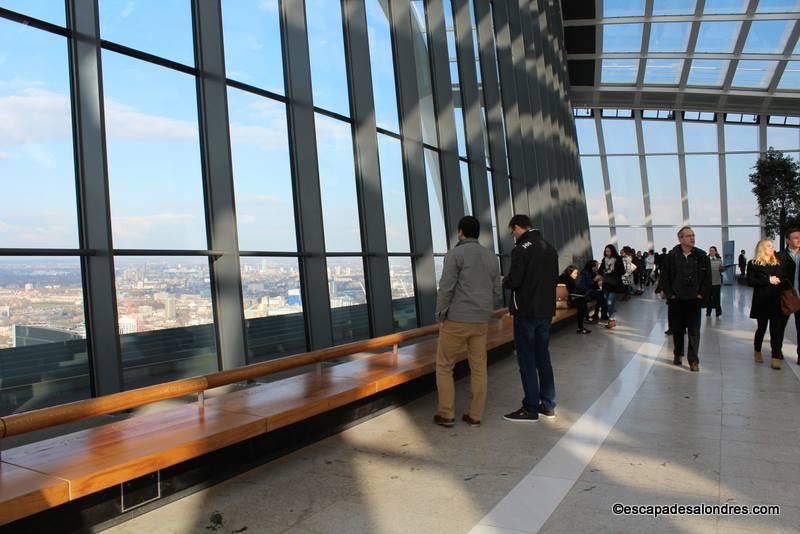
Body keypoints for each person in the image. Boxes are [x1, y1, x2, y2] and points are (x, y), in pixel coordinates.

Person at [434, 216, 502, 427]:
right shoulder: (492, 257)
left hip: (456, 319)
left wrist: (441, 314)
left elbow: (446, 288)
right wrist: (486, 310)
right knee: (479, 367)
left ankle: (446, 413)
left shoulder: (455, 254)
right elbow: (497, 292)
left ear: (460, 232)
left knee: (445, 366)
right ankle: (475, 415)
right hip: (481, 320)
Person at [502, 214, 559, 423]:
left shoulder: (520, 249)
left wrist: (504, 281)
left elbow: (515, 280)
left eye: (513, 231)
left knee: (526, 359)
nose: (513, 236)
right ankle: (549, 404)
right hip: (546, 311)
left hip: (526, 312)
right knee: (543, 357)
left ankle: (530, 407)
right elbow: (554, 278)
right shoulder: (550, 248)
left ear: (517, 227)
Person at [661, 226, 711, 372]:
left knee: (694, 331)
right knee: (677, 330)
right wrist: (671, 294)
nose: (692, 238)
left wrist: (701, 294)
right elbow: (665, 278)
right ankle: (678, 353)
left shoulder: (701, 256)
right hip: (677, 300)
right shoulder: (671, 256)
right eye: (689, 236)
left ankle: (693, 360)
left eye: (693, 235)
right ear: (680, 238)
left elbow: (708, 278)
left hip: (694, 300)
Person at [747, 239, 791, 370]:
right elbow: (750, 281)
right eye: (768, 246)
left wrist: (780, 281)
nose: (772, 248)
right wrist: (768, 280)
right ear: (761, 248)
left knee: (776, 330)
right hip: (761, 301)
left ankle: (775, 356)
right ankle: (757, 350)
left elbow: (785, 278)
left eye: (772, 246)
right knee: (761, 328)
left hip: (777, 301)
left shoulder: (779, 263)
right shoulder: (753, 263)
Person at [777, 227, 800, 366]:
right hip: (786, 296)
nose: (798, 240)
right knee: (780, 325)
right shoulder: (779, 257)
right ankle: (777, 351)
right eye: (795, 238)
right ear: (787, 240)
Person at [598, 244, 625, 329]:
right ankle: (612, 315)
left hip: (614, 285)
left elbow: (622, 271)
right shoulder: (604, 260)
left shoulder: (618, 259)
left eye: (608, 251)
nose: (607, 253)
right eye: (606, 251)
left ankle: (611, 320)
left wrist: (611, 272)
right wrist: (602, 274)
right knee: (608, 302)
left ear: (612, 251)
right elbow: (600, 271)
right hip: (606, 285)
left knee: (610, 302)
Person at [558, 265, 591, 334]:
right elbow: (571, 291)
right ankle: (582, 326)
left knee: (582, 302)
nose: (576, 275)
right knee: (582, 304)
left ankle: (582, 325)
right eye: (575, 273)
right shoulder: (567, 279)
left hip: (566, 299)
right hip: (564, 301)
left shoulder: (564, 277)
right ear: (570, 273)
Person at [706, 246, 724, 318]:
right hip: (709, 283)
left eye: (713, 251)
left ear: (715, 252)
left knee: (717, 298)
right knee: (708, 298)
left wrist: (723, 269)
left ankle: (718, 312)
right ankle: (708, 312)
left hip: (717, 282)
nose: (711, 252)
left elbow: (721, 269)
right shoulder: (706, 260)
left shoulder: (719, 260)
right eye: (710, 251)